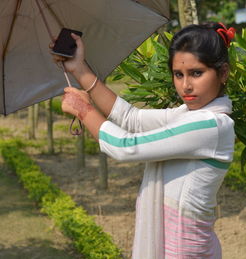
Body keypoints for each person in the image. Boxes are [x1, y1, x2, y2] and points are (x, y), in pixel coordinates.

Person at [52, 22, 236, 258]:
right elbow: (131, 118)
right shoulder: (187, 115)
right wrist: (79, 68)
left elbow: (125, 147)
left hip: (183, 251)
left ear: (223, 73)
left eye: (196, 73)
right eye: (178, 75)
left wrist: (84, 110)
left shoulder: (211, 126)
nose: (186, 85)